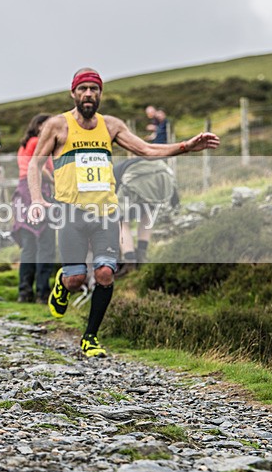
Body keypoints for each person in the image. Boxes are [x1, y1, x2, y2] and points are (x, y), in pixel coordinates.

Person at [27, 68, 219, 357]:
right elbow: (34, 164)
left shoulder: (111, 126)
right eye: (83, 89)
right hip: (70, 212)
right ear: (73, 93)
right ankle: (63, 285)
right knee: (77, 278)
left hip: (106, 211)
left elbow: (146, 150)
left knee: (105, 272)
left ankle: (90, 338)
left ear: (100, 94)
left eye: (94, 89)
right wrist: (37, 199)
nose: (88, 94)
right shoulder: (57, 126)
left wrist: (186, 146)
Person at [12, 113, 56, 304]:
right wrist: (55, 181)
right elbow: (38, 167)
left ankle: (25, 292)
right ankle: (43, 292)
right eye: (48, 125)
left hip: (23, 192)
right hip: (37, 190)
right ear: (38, 126)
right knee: (45, 243)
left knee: (29, 245)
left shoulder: (25, 143)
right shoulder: (38, 142)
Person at [112, 157, 179, 277]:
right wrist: (175, 201)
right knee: (147, 214)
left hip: (136, 177)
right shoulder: (120, 167)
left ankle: (130, 262)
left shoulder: (111, 175)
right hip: (163, 174)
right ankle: (142, 256)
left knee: (120, 221)